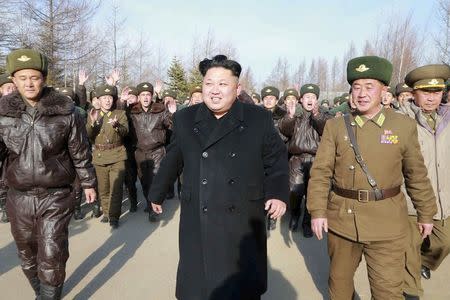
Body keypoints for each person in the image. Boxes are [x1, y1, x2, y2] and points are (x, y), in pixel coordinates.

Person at [148, 55, 288, 300]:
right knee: (198, 285)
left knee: (240, 286)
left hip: (243, 215)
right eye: (209, 83)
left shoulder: (258, 118)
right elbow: (173, 158)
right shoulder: (185, 118)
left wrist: (277, 194)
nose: (214, 91)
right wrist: (157, 192)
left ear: (237, 88)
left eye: (223, 84)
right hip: (198, 212)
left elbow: (276, 160)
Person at [307, 55, 437, 300]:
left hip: (387, 223)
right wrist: (317, 211)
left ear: (383, 90)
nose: (362, 93)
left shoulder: (402, 126)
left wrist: (426, 213)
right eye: (356, 87)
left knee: (387, 292)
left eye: (369, 87)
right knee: (339, 288)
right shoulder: (336, 127)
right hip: (342, 222)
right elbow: (321, 172)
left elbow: (416, 174)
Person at [0, 48, 96, 299]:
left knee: (52, 253)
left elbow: (79, 151)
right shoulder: (3, 115)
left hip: (55, 196)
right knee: (27, 256)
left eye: (34, 77)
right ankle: (42, 293)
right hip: (18, 197)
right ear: (14, 81)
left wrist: (88, 183)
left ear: (43, 78)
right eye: (22, 78)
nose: (29, 83)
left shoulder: (67, 113)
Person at [402, 64, 450, 299]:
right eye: (425, 92)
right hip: (411, 201)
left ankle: (425, 262)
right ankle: (411, 291)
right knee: (409, 251)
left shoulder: (448, 118)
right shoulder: (401, 120)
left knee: (444, 243)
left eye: (437, 92)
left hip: (443, 200)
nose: (432, 98)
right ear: (413, 93)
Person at [280, 84, 330, 237]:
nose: (310, 100)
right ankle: (295, 213)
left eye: (313, 97)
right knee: (294, 190)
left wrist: (316, 115)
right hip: (297, 159)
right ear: (301, 100)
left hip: (317, 159)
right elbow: (284, 130)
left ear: (317, 100)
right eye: (307, 97)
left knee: (312, 193)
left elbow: (325, 128)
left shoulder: (324, 115)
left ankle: (307, 222)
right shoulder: (295, 116)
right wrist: (290, 116)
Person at [130, 82, 175, 221]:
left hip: (157, 152)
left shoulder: (160, 110)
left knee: (155, 180)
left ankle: (153, 208)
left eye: (148, 95)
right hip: (140, 152)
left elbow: (172, 126)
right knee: (144, 181)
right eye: (142, 95)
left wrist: (173, 114)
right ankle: (150, 202)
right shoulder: (132, 112)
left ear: (152, 96)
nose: (145, 98)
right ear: (138, 97)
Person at [86, 84, 128, 229]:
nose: (107, 101)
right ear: (99, 100)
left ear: (113, 99)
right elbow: (89, 136)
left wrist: (117, 125)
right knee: (103, 189)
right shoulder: (93, 114)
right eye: (104, 98)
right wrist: (92, 123)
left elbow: (125, 133)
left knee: (116, 189)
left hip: (117, 155)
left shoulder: (120, 114)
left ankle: (114, 217)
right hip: (100, 156)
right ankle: (106, 212)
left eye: (110, 98)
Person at [0, 73, 16, 223]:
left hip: (16, 150)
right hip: (3, 151)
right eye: (7, 88)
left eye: (13, 88)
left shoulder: (21, 106)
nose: (10, 91)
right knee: (3, 180)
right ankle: (4, 208)